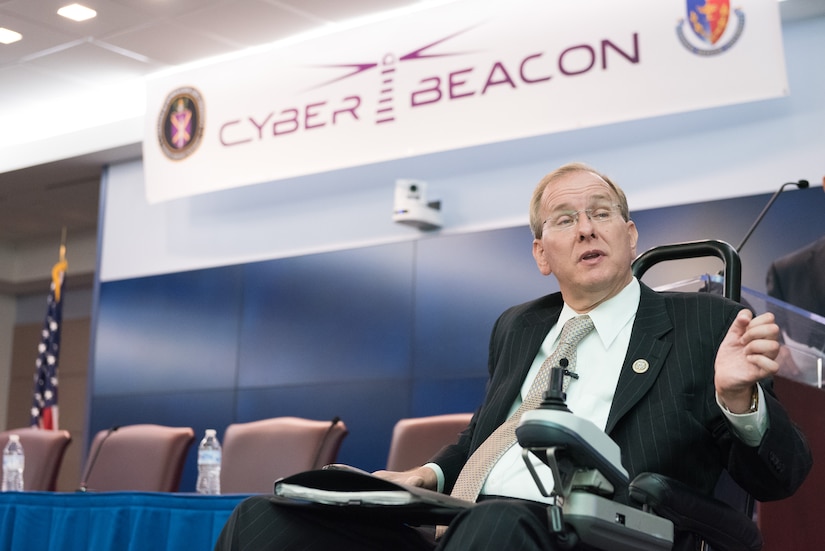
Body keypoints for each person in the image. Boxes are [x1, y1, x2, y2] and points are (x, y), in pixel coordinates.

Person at [215, 162, 812, 551]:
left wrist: (741, 402)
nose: (586, 229)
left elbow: (783, 476)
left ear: (631, 236)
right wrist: (427, 476)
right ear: (540, 253)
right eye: (565, 220)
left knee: (496, 525)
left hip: (601, 532)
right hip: (463, 524)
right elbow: (487, 433)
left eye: (602, 214)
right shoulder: (520, 326)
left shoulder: (705, 323)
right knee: (264, 521)